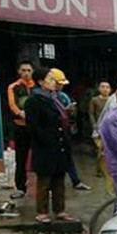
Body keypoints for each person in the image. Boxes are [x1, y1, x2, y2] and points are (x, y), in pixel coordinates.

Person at [24, 68, 75, 223]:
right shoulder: (34, 101)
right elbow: (33, 126)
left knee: (59, 179)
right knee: (45, 181)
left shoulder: (56, 98)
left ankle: (60, 210)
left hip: (60, 143)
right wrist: (46, 140)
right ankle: (42, 211)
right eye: (50, 79)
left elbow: (61, 119)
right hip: (45, 146)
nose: (54, 82)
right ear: (41, 82)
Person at [49, 68, 90, 191]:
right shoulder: (44, 97)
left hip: (64, 130)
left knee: (68, 157)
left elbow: (71, 112)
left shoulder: (63, 96)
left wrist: (70, 112)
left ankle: (76, 181)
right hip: (52, 132)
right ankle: (51, 186)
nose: (60, 87)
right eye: (59, 84)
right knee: (52, 160)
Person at [7, 60, 36, 199]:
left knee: (41, 157)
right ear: (19, 71)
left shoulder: (37, 87)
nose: (26, 73)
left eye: (29, 70)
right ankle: (20, 188)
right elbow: (12, 105)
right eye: (23, 70)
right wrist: (21, 113)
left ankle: (44, 188)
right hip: (20, 126)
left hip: (37, 127)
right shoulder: (13, 87)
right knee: (21, 158)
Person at [89, 79, 113, 185]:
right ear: (99, 89)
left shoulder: (112, 100)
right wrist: (94, 125)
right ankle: (99, 170)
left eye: (107, 87)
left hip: (110, 128)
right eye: (102, 87)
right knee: (100, 150)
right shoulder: (94, 100)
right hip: (99, 128)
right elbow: (91, 113)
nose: (105, 89)